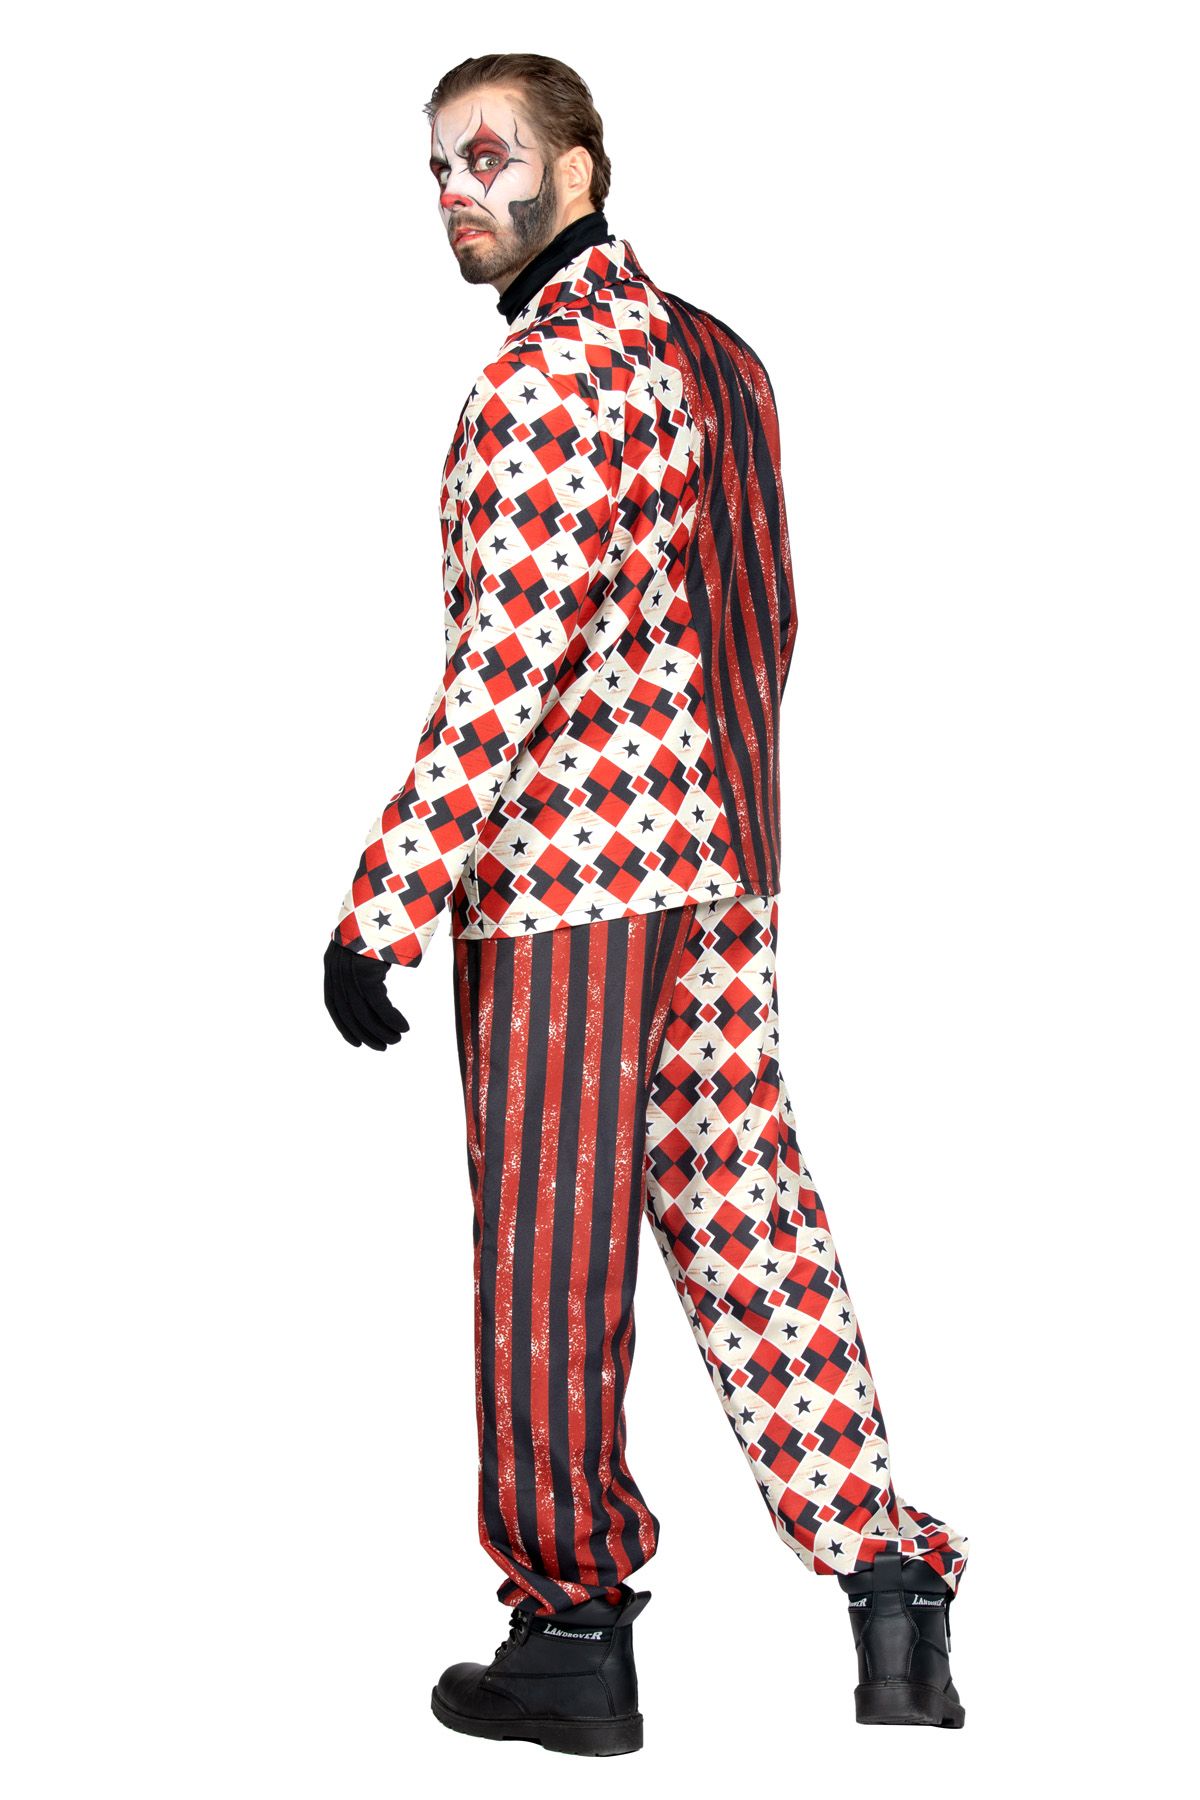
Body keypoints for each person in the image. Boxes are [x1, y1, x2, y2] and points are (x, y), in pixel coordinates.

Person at [324, 51, 968, 1753]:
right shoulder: (714, 357)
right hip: (722, 864)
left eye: (490, 158)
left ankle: (570, 1627)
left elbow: (508, 664)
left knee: (550, 1251)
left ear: (581, 172)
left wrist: (387, 898)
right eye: (437, 168)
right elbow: (767, 618)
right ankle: (893, 1591)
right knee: (750, 1220)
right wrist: (727, 846)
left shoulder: (547, 377)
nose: (458, 193)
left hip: (572, 883)